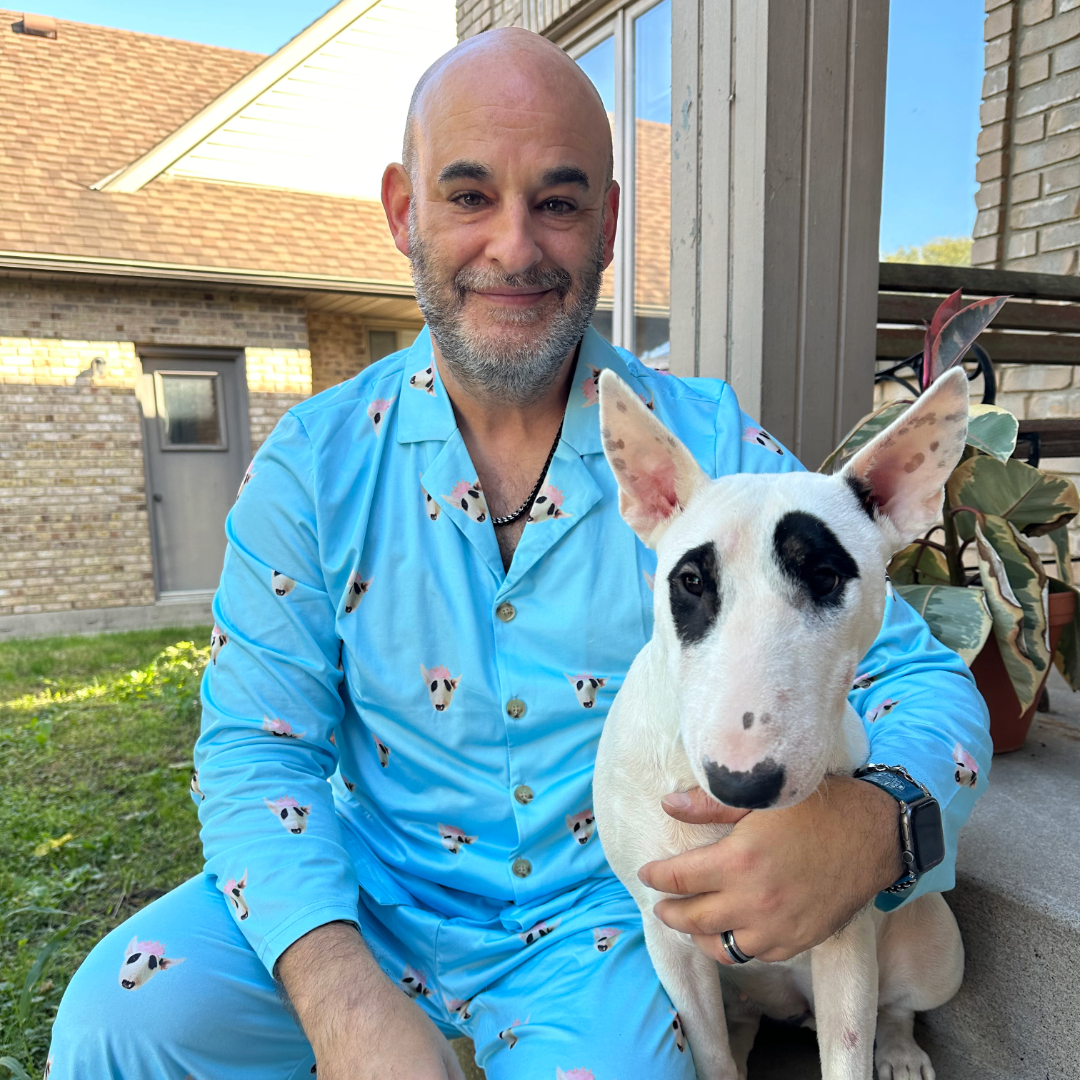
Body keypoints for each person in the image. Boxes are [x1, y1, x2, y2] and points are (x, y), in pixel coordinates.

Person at [48, 27, 990, 1080]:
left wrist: (873, 831)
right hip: (362, 885)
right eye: (468, 196)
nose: (514, 247)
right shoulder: (310, 468)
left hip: (594, 926)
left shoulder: (712, 453)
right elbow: (254, 754)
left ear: (608, 224)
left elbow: (921, 679)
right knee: (117, 1028)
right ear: (406, 211)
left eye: (557, 200)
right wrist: (343, 1002)